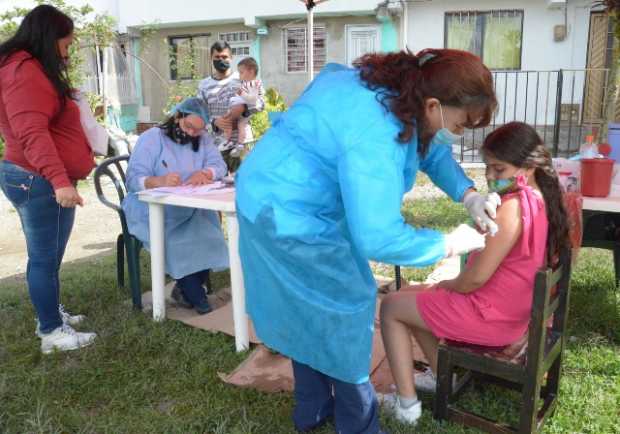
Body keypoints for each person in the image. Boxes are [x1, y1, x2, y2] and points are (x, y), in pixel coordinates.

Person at [235, 49, 499, 434]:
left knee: (307, 308)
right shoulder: (375, 131)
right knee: (345, 305)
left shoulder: (394, 92)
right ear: (433, 105)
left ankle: (312, 410)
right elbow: (378, 235)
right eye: (460, 126)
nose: (456, 135)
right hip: (287, 211)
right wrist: (447, 244)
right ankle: (357, 423)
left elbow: (430, 149)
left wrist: (468, 193)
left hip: (270, 190)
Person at [379, 122, 571, 425]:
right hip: (511, 311)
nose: (491, 177)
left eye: (499, 169)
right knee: (408, 298)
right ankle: (441, 377)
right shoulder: (541, 197)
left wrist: (444, 284)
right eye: (487, 168)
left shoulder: (512, 207)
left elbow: (473, 280)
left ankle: (406, 407)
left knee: (391, 306)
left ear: (529, 165)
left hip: (493, 318)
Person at [0, 5, 97, 354]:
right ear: (48, 38)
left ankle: (50, 313)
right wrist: (60, 181)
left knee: (49, 258)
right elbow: (31, 133)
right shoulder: (24, 71)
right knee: (43, 259)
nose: (67, 52)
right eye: (66, 45)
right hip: (36, 178)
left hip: (35, 176)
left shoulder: (26, 68)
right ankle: (51, 333)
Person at [122, 97, 229, 314]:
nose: (192, 133)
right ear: (177, 116)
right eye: (189, 126)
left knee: (210, 234)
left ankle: (184, 289)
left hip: (189, 205)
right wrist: (157, 181)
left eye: (198, 130)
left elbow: (220, 165)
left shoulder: (203, 138)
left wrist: (206, 172)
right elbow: (133, 178)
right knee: (177, 242)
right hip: (152, 208)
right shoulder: (152, 138)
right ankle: (198, 298)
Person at [197, 41, 264, 174]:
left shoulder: (243, 78)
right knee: (216, 187)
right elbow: (199, 113)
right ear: (211, 58)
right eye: (217, 57)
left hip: (242, 144)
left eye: (224, 57)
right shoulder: (203, 85)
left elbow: (261, 104)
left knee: (243, 184)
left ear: (231, 58)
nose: (221, 60)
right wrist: (214, 123)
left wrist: (243, 112)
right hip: (216, 146)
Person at [220, 57, 265, 146]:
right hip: (241, 110)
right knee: (234, 123)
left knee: (238, 124)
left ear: (251, 72)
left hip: (245, 110)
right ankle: (230, 141)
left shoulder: (254, 84)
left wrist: (241, 94)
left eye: (241, 72)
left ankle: (237, 143)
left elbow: (254, 100)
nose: (239, 75)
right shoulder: (245, 83)